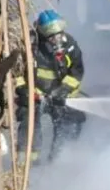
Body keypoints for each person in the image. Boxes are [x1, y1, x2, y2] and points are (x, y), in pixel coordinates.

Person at [14, 9, 86, 163]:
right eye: (52, 36)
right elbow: (17, 73)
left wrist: (62, 91)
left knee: (68, 125)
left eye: (60, 34)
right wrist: (25, 91)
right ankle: (28, 163)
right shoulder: (30, 46)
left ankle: (61, 162)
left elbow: (77, 72)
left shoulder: (70, 45)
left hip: (62, 97)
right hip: (35, 95)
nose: (57, 39)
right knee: (29, 123)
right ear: (43, 35)